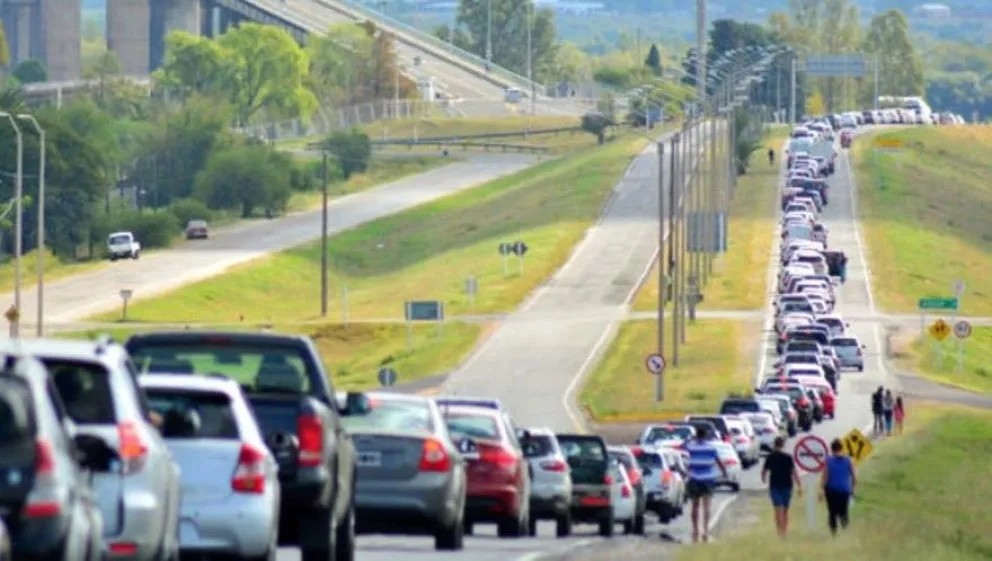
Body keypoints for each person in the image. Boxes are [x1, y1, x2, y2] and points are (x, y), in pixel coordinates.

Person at [684, 425, 728, 543]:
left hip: (694, 478)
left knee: (695, 506)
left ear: (696, 436)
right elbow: (718, 461)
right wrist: (724, 472)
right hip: (708, 479)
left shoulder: (691, 447)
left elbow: (682, 445)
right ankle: (706, 530)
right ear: (706, 436)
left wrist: (690, 439)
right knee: (706, 506)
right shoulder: (711, 448)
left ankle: (695, 529)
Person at [761, 436, 802, 538]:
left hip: (774, 486)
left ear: (774, 445)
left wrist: (764, 479)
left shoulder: (770, 457)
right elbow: (793, 472)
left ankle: (779, 532)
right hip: (787, 486)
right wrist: (799, 485)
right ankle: (784, 532)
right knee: (785, 510)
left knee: (777, 509)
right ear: (783, 445)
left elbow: (764, 471)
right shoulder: (788, 457)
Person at [820, 439, 856, 535]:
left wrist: (821, 490)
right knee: (844, 512)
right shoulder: (848, 460)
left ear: (832, 449)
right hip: (844, 491)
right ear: (841, 448)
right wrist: (852, 491)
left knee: (832, 513)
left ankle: (834, 534)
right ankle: (845, 531)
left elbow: (825, 477)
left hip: (831, 490)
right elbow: (854, 477)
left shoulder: (828, 460)